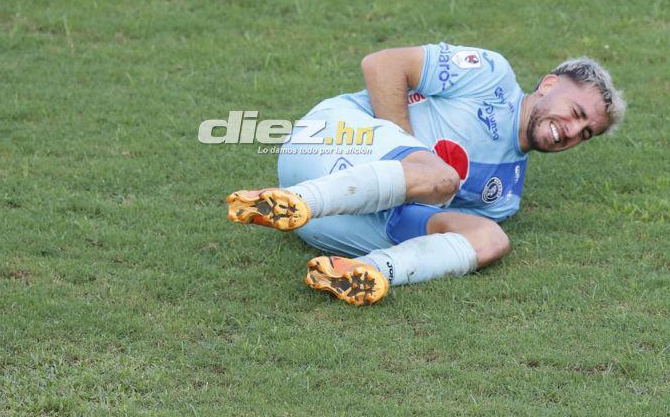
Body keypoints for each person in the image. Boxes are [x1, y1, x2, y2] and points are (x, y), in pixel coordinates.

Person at [226, 42, 626, 305]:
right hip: (327, 141)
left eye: (586, 133)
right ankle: (299, 198)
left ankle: (368, 271)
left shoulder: (505, 194)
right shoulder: (492, 76)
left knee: (491, 237)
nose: (572, 131)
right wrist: (411, 156)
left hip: (329, 224)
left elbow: (430, 217)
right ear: (549, 84)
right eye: (576, 113)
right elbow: (382, 64)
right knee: (440, 178)